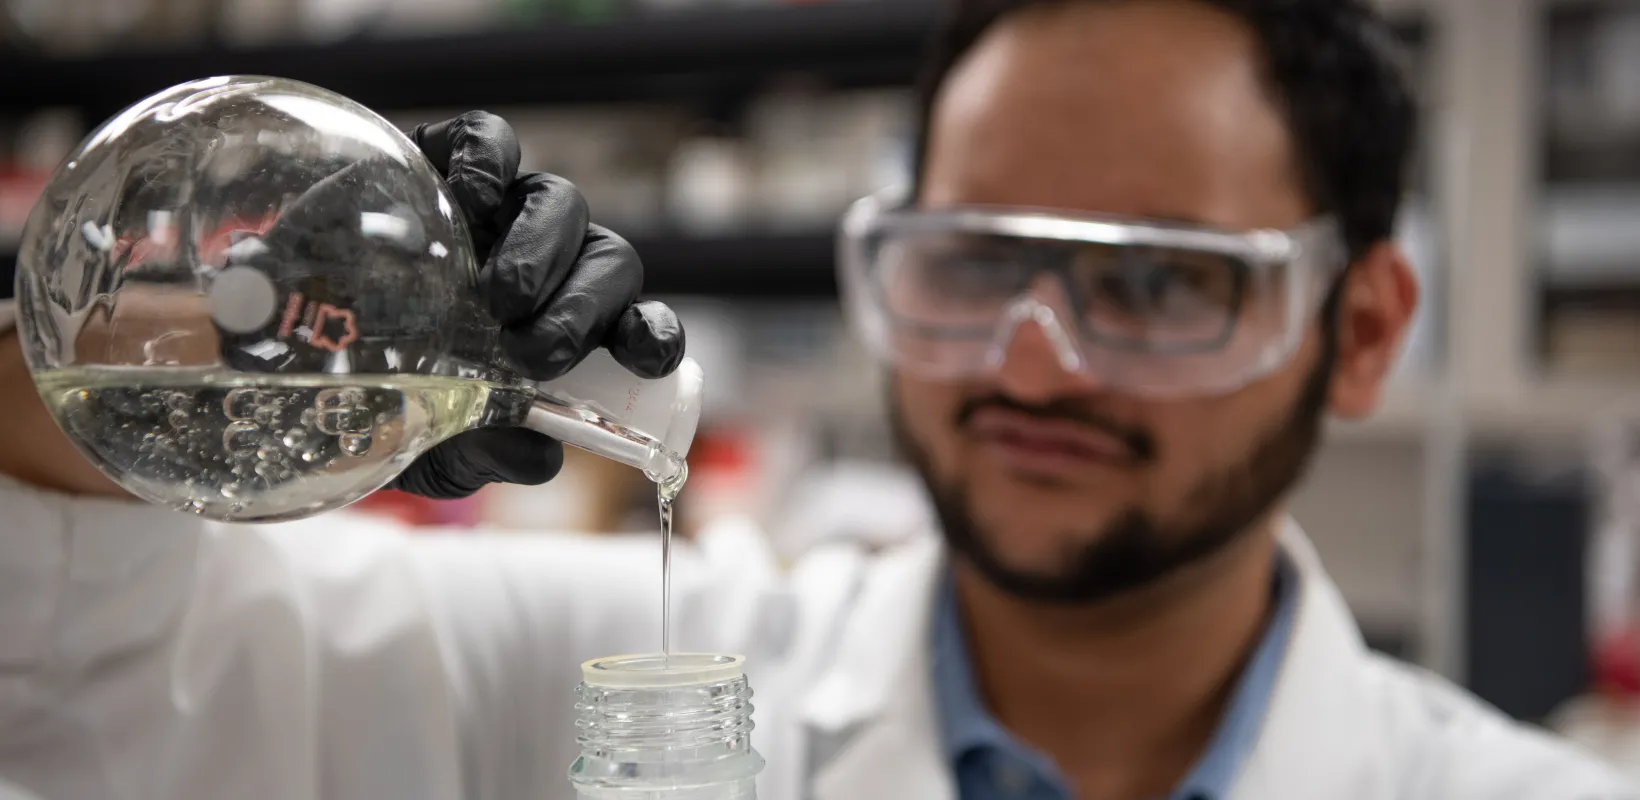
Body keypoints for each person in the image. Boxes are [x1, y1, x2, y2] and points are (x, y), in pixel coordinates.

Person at [0, 0, 1632, 799]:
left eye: (1154, 282)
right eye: (973, 264)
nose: (1031, 361)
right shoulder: (584, 684)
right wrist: (231, 308)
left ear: (1359, 328)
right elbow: (80, 657)